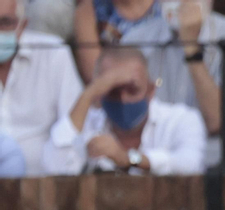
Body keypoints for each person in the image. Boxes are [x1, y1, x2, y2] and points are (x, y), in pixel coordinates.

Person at [119, 0, 225, 165]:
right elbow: (124, 118)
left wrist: (191, 47)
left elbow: (217, 120)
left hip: (213, 165)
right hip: (150, 162)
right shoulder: (135, 40)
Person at [41, 45, 206, 174]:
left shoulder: (181, 119)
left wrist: (129, 159)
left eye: (132, 89)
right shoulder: (86, 123)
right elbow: (54, 166)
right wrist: (88, 95)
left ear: (150, 90)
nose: (123, 98)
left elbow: (190, 165)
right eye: (112, 90)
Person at [0, 0, 84, 174]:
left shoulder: (53, 53)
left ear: (22, 26)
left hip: (45, 188)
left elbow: (75, 131)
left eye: (5, 23)